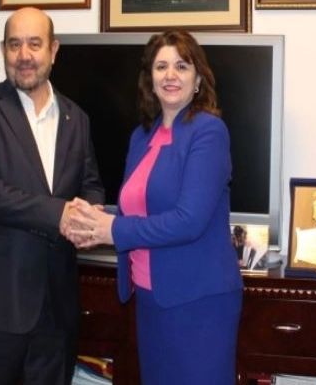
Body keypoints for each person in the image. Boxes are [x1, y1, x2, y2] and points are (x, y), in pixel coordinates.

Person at [64, 30, 243, 384]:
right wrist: (95, 220)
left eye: (181, 66)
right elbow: (136, 212)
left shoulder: (209, 132)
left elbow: (188, 220)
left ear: (197, 80)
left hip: (198, 300)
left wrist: (112, 230)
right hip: (149, 297)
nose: (170, 75)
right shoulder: (141, 137)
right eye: (161, 67)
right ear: (150, 79)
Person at [0, 7, 104, 385]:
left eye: (35, 44)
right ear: (3, 49)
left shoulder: (77, 118)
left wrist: (91, 216)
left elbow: (90, 183)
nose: (24, 55)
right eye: (14, 44)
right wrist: (60, 215)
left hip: (56, 308)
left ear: (54, 50)